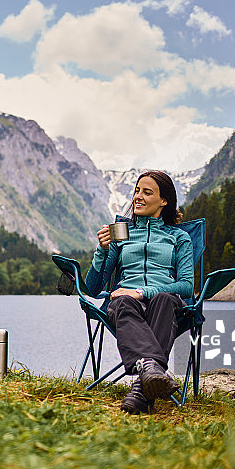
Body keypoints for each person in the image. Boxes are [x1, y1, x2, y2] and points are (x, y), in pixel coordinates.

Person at [85, 170, 193, 414]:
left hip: (162, 302)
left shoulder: (179, 237)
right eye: (136, 191)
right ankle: (151, 372)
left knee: (165, 299)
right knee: (121, 301)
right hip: (126, 304)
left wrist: (144, 292)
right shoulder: (121, 233)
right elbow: (93, 287)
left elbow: (186, 286)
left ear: (163, 201)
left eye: (147, 192)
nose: (137, 197)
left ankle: (141, 385)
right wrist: (102, 250)